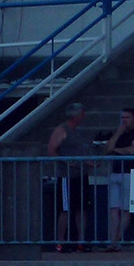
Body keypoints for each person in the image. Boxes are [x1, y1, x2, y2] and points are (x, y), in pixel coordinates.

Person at [102, 107, 134, 250]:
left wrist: (115, 150)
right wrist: (118, 133)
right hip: (115, 172)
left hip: (131, 173)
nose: (124, 121)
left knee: (126, 209)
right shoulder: (117, 132)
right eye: (122, 118)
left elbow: (133, 150)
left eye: (127, 118)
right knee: (113, 209)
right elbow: (106, 149)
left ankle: (118, 240)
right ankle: (112, 241)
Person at [47, 104, 89, 250]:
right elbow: (51, 151)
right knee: (65, 209)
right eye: (82, 113)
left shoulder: (77, 132)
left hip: (80, 175)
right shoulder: (62, 130)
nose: (84, 116)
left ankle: (81, 242)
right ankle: (60, 242)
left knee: (81, 208)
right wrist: (67, 162)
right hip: (67, 176)